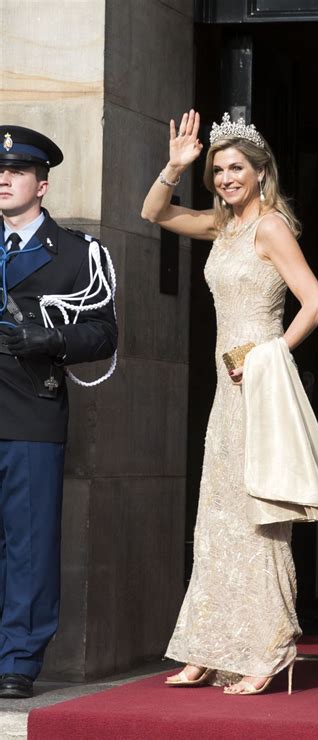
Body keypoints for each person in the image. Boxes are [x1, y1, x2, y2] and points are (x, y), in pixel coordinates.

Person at [142, 110, 318, 695]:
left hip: (258, 387)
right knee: (217, 519)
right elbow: (152, 213)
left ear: (261, 172)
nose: (227, 177)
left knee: (258, 517)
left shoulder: (272, 227)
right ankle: (209, 644)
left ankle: (268, 649)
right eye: (219, 169)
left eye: (237, 168)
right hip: (224, 397)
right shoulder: (222, 226)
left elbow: (317, 303)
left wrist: (266, 355)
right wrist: (176, 165)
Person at [0, 126, 117, 698]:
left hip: (30, 409)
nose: (3, 178)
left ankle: (18, 659)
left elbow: (104, 333)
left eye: (17, 171)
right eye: (0, 171)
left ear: (41, 184)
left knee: (29, 541)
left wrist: (49, 339)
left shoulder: (76, 253)